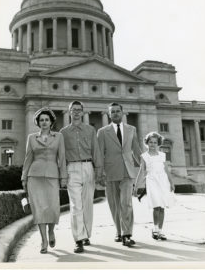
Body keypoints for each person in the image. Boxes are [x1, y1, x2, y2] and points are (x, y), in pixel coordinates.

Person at [21, 107, 67, 254]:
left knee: (53, 208)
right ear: (38, 122)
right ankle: (43, 241)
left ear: (51, 121)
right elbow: (28, 158)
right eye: (41, 120)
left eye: (47, 119)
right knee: (39, 209)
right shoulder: (31, 138)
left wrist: (63, 177)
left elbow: (62, 158)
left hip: (53, 176)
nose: (44, 122)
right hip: (34, 177)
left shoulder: (58, 137)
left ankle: (51, 231)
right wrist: (24, 177)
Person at [60, 101, 103, 253]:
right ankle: (78, 239)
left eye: (79, 110)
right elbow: (62, 156)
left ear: (83, 112)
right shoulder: (63, 132)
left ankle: (86, 234)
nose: (76, 112)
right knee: (75, 205)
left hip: (88, 167)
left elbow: (96, 151)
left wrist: (98, 171)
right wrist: (63, 176)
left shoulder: (90, 130)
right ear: (69, 112)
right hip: (71, 168)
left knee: (87, 205)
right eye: (74, 110)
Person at [97, 102, 141, 247]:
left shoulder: (131, 129)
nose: (115, 113)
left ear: (122, 113)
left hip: (128, 172)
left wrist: (146, 166)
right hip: (110, 172)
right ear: (109, 114)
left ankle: (127, 234)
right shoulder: (102, 132)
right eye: (112, 111)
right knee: (114, 205)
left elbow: (136, 150)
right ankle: (118, 231)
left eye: (117, 111)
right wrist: (100, 173)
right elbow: (100, 154)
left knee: (126, 203)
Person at [133, 131, 175, 241]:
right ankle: (155, 229)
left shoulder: (162, 155)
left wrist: (171, 182)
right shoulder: (144, 156)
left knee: (162, 207)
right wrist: (136, 186)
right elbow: (142, 172)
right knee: (156, 207)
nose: (152, 144)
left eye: (155, 142)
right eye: (150, 142)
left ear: (158, 143)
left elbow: (166, 170)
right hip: (152, 182)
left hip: (163, 182)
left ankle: (160, 231)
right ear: (147, 143)